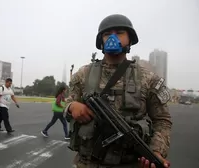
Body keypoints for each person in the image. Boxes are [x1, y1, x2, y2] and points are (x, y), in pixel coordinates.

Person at [65, 14, 172, 168]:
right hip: (87, 163)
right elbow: (67, 103)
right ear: (100, 40)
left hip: (131, 163)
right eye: (107, 34)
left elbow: (162, 119)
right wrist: (72, 107)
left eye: (120, 32)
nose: (112, 38)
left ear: (130, 39)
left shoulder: (149, 79)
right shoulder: (83, 74)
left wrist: (156, 151)